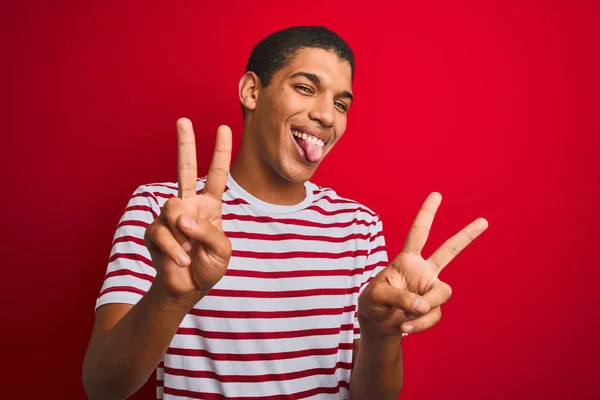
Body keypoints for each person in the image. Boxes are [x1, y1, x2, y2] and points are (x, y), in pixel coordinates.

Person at [82, 26, 488, 400]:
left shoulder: (358, 226)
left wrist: (383, 336)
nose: (327, 116)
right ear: (251, 91)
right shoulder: (164, 211)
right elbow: (103, 386)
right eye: (305, 88)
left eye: (341, 103)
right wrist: (171, 297)